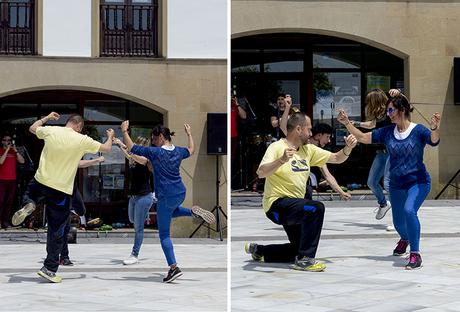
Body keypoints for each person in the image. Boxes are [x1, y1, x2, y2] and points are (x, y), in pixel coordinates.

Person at [337, 90, 441, 270]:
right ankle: (405, 239)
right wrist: (346, 122)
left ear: (401, 110)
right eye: (387, 111)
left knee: (409, 211)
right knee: (398, 223)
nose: (388, 114)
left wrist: (434, 128)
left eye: (391, 110)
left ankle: (415, 254)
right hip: (396, 184)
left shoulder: (418, 131)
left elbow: (434, 141)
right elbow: (362, 137)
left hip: (418, 182)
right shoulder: (387, 132)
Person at [245, 112, 357, 271]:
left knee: (297, 248)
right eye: (309, 129)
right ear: (299, 129)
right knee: (316, 208)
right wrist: (281, 160)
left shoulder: (308, 150)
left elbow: (337, 158)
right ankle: (305, 260)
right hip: (277, 205)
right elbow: (261, 172)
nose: (311, 133)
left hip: (295, 206)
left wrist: (348, 148)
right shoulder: (277, 147)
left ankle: (259, 251)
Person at [11, 113, 114, 282]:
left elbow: (32, 128)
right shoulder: (82, 140)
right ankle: (49, 268)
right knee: (56, 229)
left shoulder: (52, 130)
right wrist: (109, 136)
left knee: (29, 195)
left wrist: (46, 118)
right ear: (79, 127)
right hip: (61, 189)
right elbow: (107, 148)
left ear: (67, 123)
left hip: (42, 180)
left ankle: (30, 204)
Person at [120, 121, 216, 283]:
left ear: (162, 137)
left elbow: (133, 148)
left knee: (164, 234)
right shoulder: (178, 151)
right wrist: (189, 134)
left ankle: (173, 267)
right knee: (171, 212)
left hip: (165, 195)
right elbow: (191, 150)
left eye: (155, 139)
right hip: (180, 192)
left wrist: (124, 132)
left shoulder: (156, 153)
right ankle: (192, 212)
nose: (153, 141)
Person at [279, 101, 351, 200]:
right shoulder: (300, 141)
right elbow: (283, 127)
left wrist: (341, 192)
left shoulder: (315, 152)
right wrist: (287, 107)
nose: (329, 141)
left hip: (303, 190)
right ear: (319, 135)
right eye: (327, 137)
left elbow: (328, 174)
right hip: (287, 189)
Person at [112, 136, 155, 266]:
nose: (134, 145)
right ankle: (142, 216)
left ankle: (134, 255)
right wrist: (120, 145)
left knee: (138, 227)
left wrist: (122, 143)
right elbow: (129, 155)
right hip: (133, 197)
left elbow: (132, 155)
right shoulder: (134, 159)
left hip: (144, 196)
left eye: (137, 144)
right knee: (132, 219)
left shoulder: (145, 160)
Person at [59, 156, 106, 266]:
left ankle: (73, 211)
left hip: (73, 189)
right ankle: (64, 256)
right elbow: (79, 163)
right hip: (62, 190)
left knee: (81, 211)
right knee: (65, 226)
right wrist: (96, 160)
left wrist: (96, 159)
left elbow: (79, 162)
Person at [354, 89, 392, 221]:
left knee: (388, 184)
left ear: (375, 101)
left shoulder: (390, 111)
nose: (367, 104)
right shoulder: (379, 116)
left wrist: (398, 94)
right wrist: (355, 123)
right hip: (381, 153)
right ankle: (383, 204)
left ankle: (398, 219)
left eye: (369, 101)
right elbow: (372, 125)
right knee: (371, 182)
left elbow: (405, 108)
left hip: (392, 153)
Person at [0, 134, 25, 228]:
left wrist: (15, 151)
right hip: (2, 179)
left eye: (9, 140)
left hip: (12, 180)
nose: (7, 141)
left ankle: (5, 222)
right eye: (5, 140)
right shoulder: (1, 150)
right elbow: (1, 162)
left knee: (9, 202)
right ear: (2, 141)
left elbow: (22, 161)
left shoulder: (14, 152)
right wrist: (6, 150)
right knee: (1, 200)